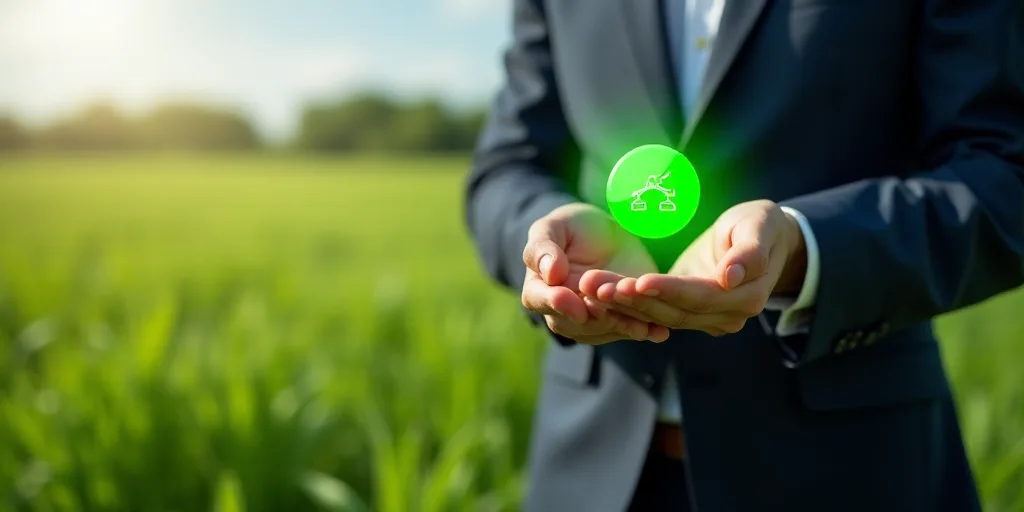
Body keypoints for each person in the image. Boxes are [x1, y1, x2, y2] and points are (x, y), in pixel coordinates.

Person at [463, 0, 1024, 510]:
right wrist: (545, 251)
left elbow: (1003, 175)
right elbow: (508, 167)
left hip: (849, 471)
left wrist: (806, 247)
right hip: (588, 471)